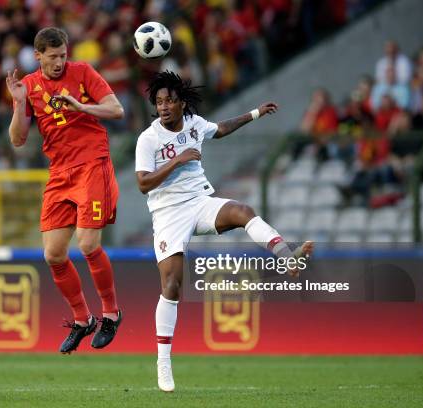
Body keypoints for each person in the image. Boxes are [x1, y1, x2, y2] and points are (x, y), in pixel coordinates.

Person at [134, 71, 313, 392]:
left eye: (169, 100)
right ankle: (163, 362)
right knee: (172, 286)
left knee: (243, 211)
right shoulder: (148, 139)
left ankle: (287, 256)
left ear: (181, 103)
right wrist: (178, 160)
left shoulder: (194, 123)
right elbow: (143, 183)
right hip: (167, 214)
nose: (163, 107)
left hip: (199, 201)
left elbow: (222, 128)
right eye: (159, 102)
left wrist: (255, 113)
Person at [5, 27, 124, 354]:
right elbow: (17, 140)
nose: (59, 62)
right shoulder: (28, 86)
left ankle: (111, 313)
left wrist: (80, 107)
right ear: (38, 55)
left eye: (63, 55)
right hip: (59, 172)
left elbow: (116, 110)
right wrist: (18, 105)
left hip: (91, 164)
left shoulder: (83, 72)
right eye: (53, 57)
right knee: (53, 254)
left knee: (87, 243)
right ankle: (82, 320)